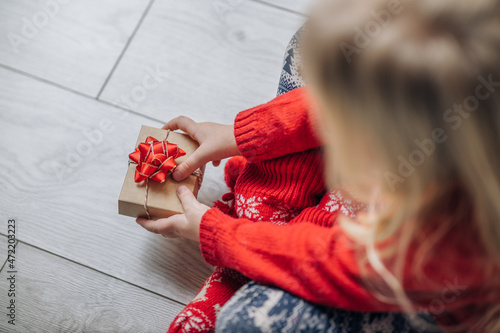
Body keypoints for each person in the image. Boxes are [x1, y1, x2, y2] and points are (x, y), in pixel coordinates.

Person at [137, 0, 500, 331]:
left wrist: (214, 234)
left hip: (403, 290)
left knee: (245, 323)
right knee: (330, 47)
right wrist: (244, 133)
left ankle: (249, 255)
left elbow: (329, 262)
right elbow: (345, 102)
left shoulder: (447, 247)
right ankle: (265, 234)